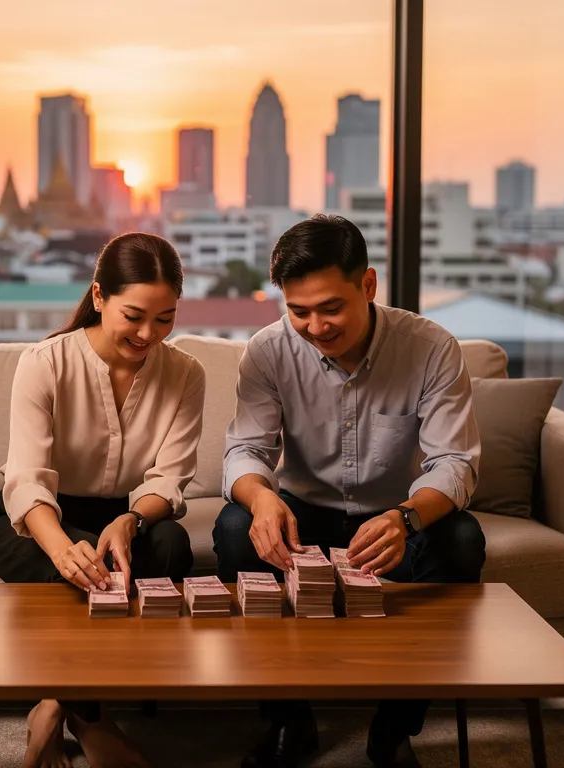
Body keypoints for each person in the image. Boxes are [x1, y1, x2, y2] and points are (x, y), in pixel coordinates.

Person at [214, 215, 485, 768]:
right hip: (301, 513)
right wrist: (262, 498)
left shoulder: (431, 348)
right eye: (298, 311)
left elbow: (454, 462)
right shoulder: (267, 351)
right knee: (234, 527)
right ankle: (290, 721)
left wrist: (407, 518)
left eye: (330, 308)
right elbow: (244, 451)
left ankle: (394, 728)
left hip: (396, 519)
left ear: (368, 286)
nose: (315, 326)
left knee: (460, 539)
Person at [0, 232, 205, 768]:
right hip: (38, 519)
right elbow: (28, 481)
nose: (148, 334)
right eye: (134, 316)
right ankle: (90, 720)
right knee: (80, 572)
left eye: (165, 318)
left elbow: (169, 479)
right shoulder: (45, 362)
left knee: (172, 549)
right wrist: (62, 549)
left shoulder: (186, 374)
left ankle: (53, 704)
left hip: (128, 515)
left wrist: (130, 519)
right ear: (99, 296)